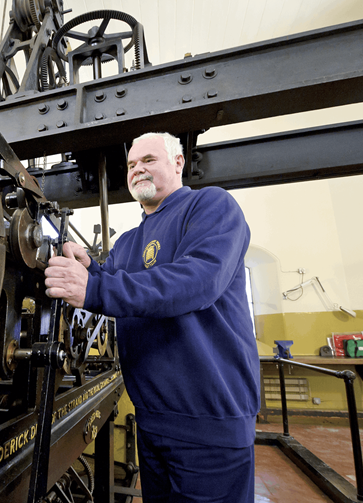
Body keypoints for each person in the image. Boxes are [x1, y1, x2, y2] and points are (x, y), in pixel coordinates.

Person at [44, 132, 260, 503]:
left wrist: (94, 289)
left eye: (148, 160)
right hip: (153, 420)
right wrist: (88, 269)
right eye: (130, 165)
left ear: (178, 164)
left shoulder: (211, 206)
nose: (137, 169)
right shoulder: (128, 241)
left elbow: (198, 281)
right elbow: (113, 286)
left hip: (209, 426)